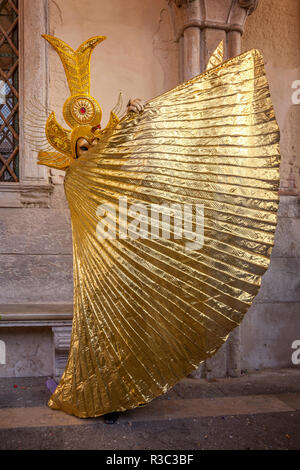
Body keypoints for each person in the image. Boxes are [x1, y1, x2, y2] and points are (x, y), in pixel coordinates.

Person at [37, 35, 280, 421]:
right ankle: (97, 393)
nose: (89, 154)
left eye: (93, 146)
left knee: (127, 328)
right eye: (82, 149)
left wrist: (138, 115)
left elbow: (131, 170)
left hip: (126, 259)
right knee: (101, 329)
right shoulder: (75, 181)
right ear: (73, 152)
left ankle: (119, 392)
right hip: (99, 264)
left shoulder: (111, 167)